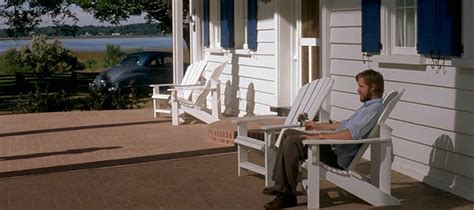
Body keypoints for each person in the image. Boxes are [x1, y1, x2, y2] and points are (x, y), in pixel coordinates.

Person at [263, 69, 385, 209]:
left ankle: (286, 196)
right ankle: (281, 186)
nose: (358, 90)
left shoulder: (374, 109)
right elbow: (342, 125)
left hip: (337, 155)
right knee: (288, 133)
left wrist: (321, 137)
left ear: (373, 87)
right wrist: (316, 126)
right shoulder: (367, 107)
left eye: (361, 86)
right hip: (332, 148)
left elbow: (350, 135)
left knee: (292, 142)